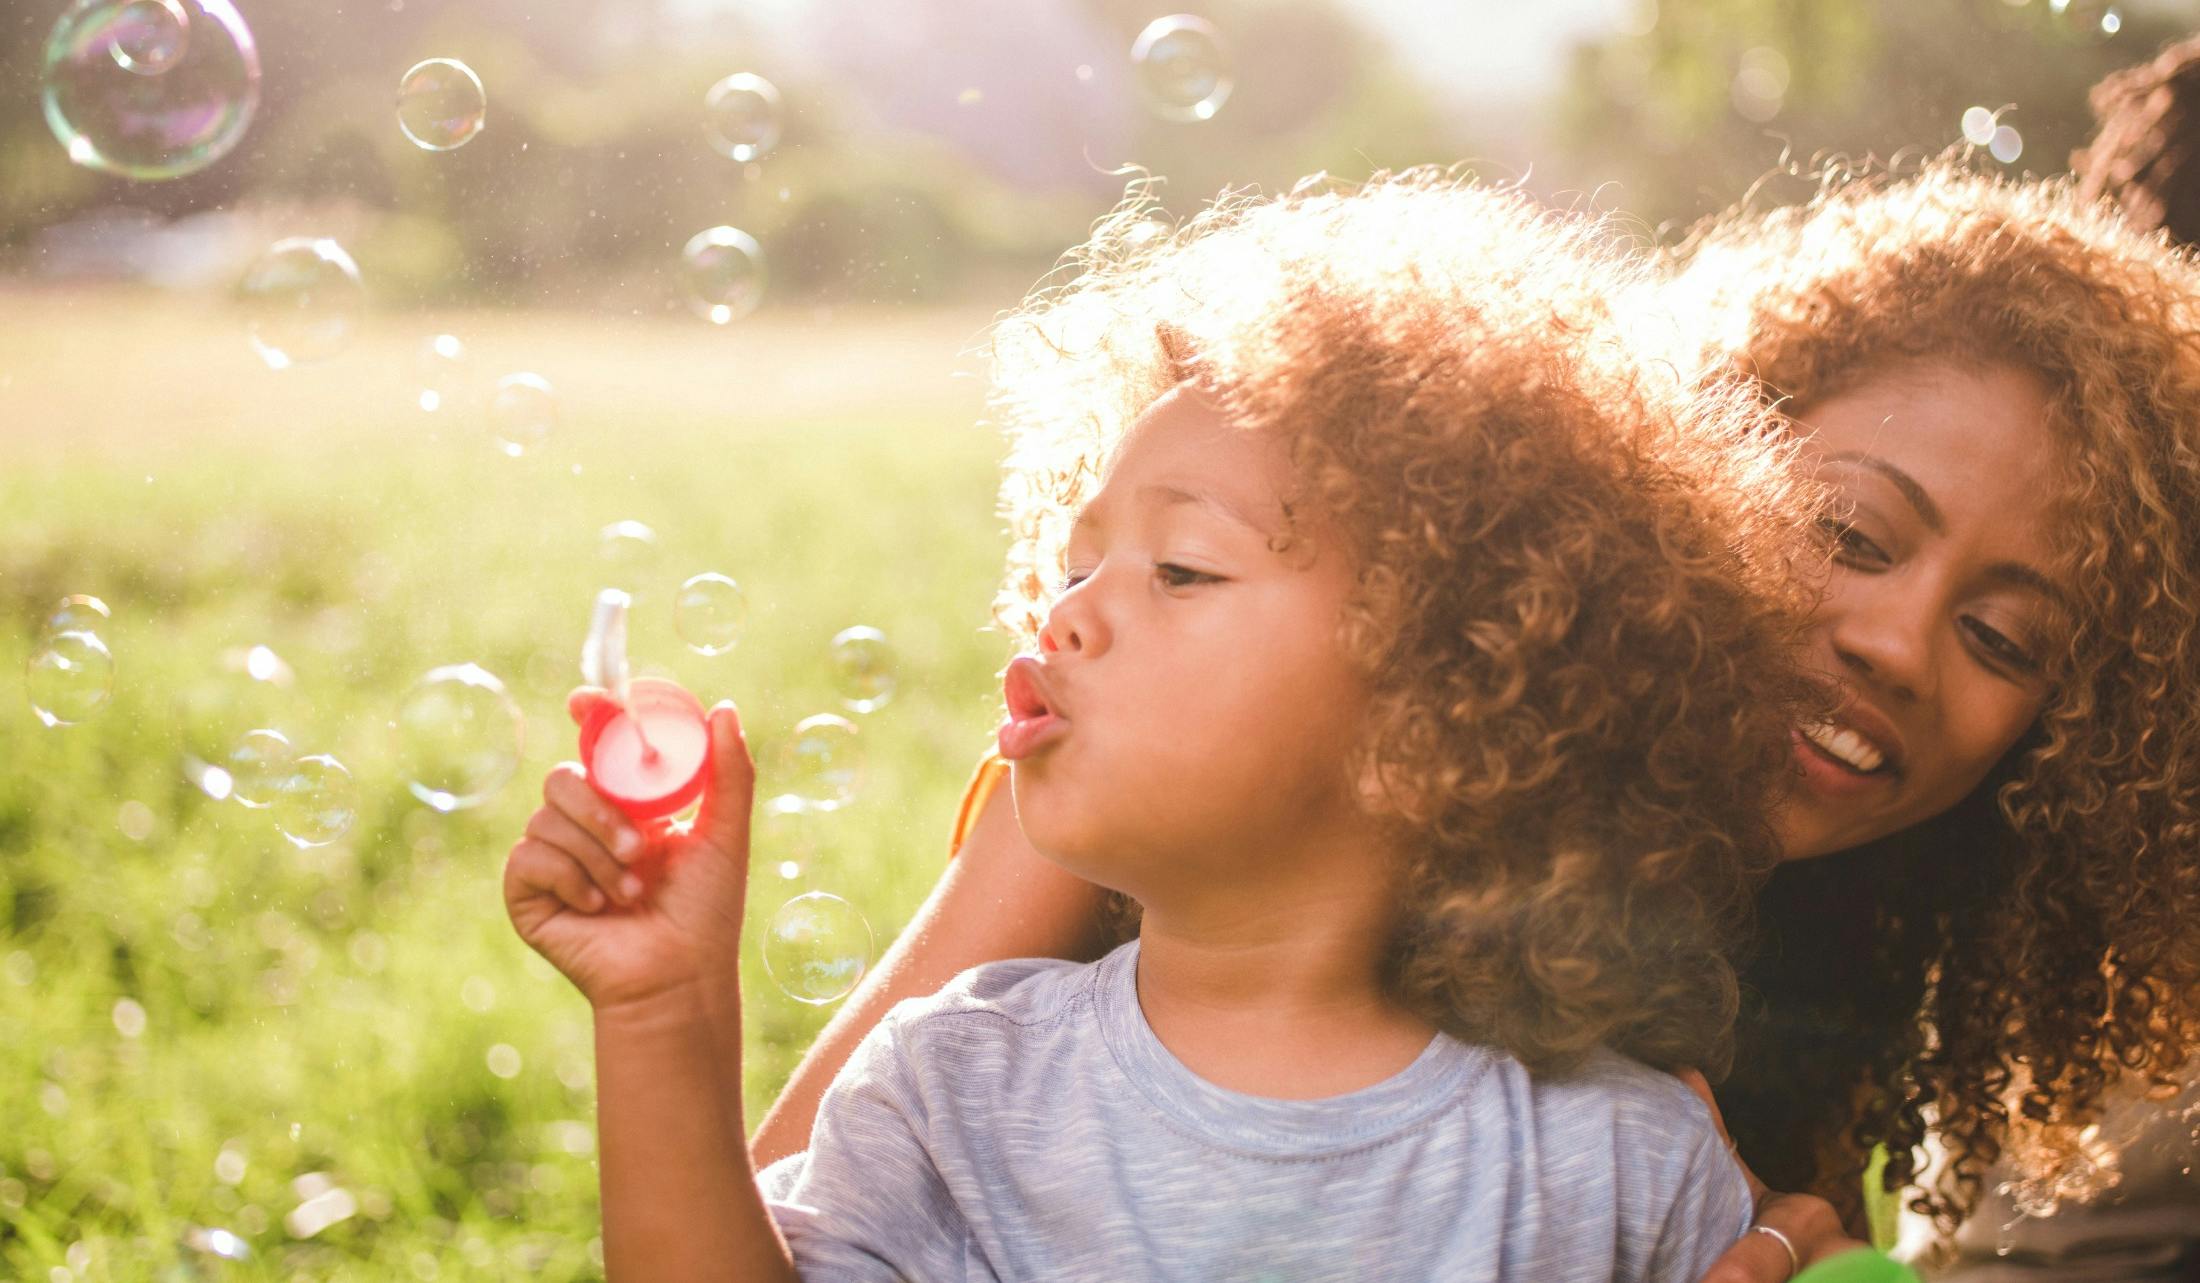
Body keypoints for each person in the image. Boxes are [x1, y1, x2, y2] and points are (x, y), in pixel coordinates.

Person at [753, 161, 2200, 1283]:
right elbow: (791, 1192)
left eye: (2006, 640)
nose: (1895, 645)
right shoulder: (1185, 759)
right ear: (1686, 484)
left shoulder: (1862, 938)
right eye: (1853, 533)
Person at [503, 170, 1836, 1280]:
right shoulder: (958, 1089)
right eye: (1072, 569)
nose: (1064, 618)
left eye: (1181, 570)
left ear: (1448, 697)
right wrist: (666, 1014)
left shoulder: (1612, 1160)